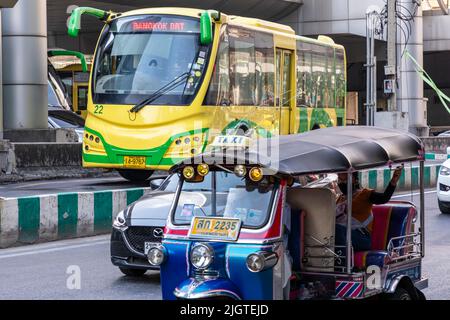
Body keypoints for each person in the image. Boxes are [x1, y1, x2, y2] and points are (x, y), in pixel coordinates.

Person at [334, 165, 403, 252]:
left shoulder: (364, 194)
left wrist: (393, 181)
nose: (342, 182)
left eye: (345, 179)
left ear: (354, 179)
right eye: (340, 180)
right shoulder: (339, 199)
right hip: (343, 236)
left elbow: (384, 198)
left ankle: (341, 264)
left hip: (361, 237)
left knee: (336, 229)